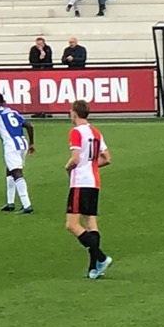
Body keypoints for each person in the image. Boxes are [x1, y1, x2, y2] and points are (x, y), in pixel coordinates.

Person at [65, 100, 113, 279]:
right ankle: (94, 268)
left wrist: (68, 167)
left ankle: (101, 257)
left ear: (75, 113)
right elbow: (107, 158)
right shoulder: (95, 132)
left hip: (80, 182)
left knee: (72, 224)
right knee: (91, 223)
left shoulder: (76, 132)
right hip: (94, 182)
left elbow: (75, 158)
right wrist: (91, 165)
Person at [0, 93, 36, 214]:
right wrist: (31, 143)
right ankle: (10, 203)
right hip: (22, 143)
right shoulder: (12, 112)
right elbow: (29, 126)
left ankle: (27, 205)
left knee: (16, 172)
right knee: (10, 170)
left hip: (11, 145)